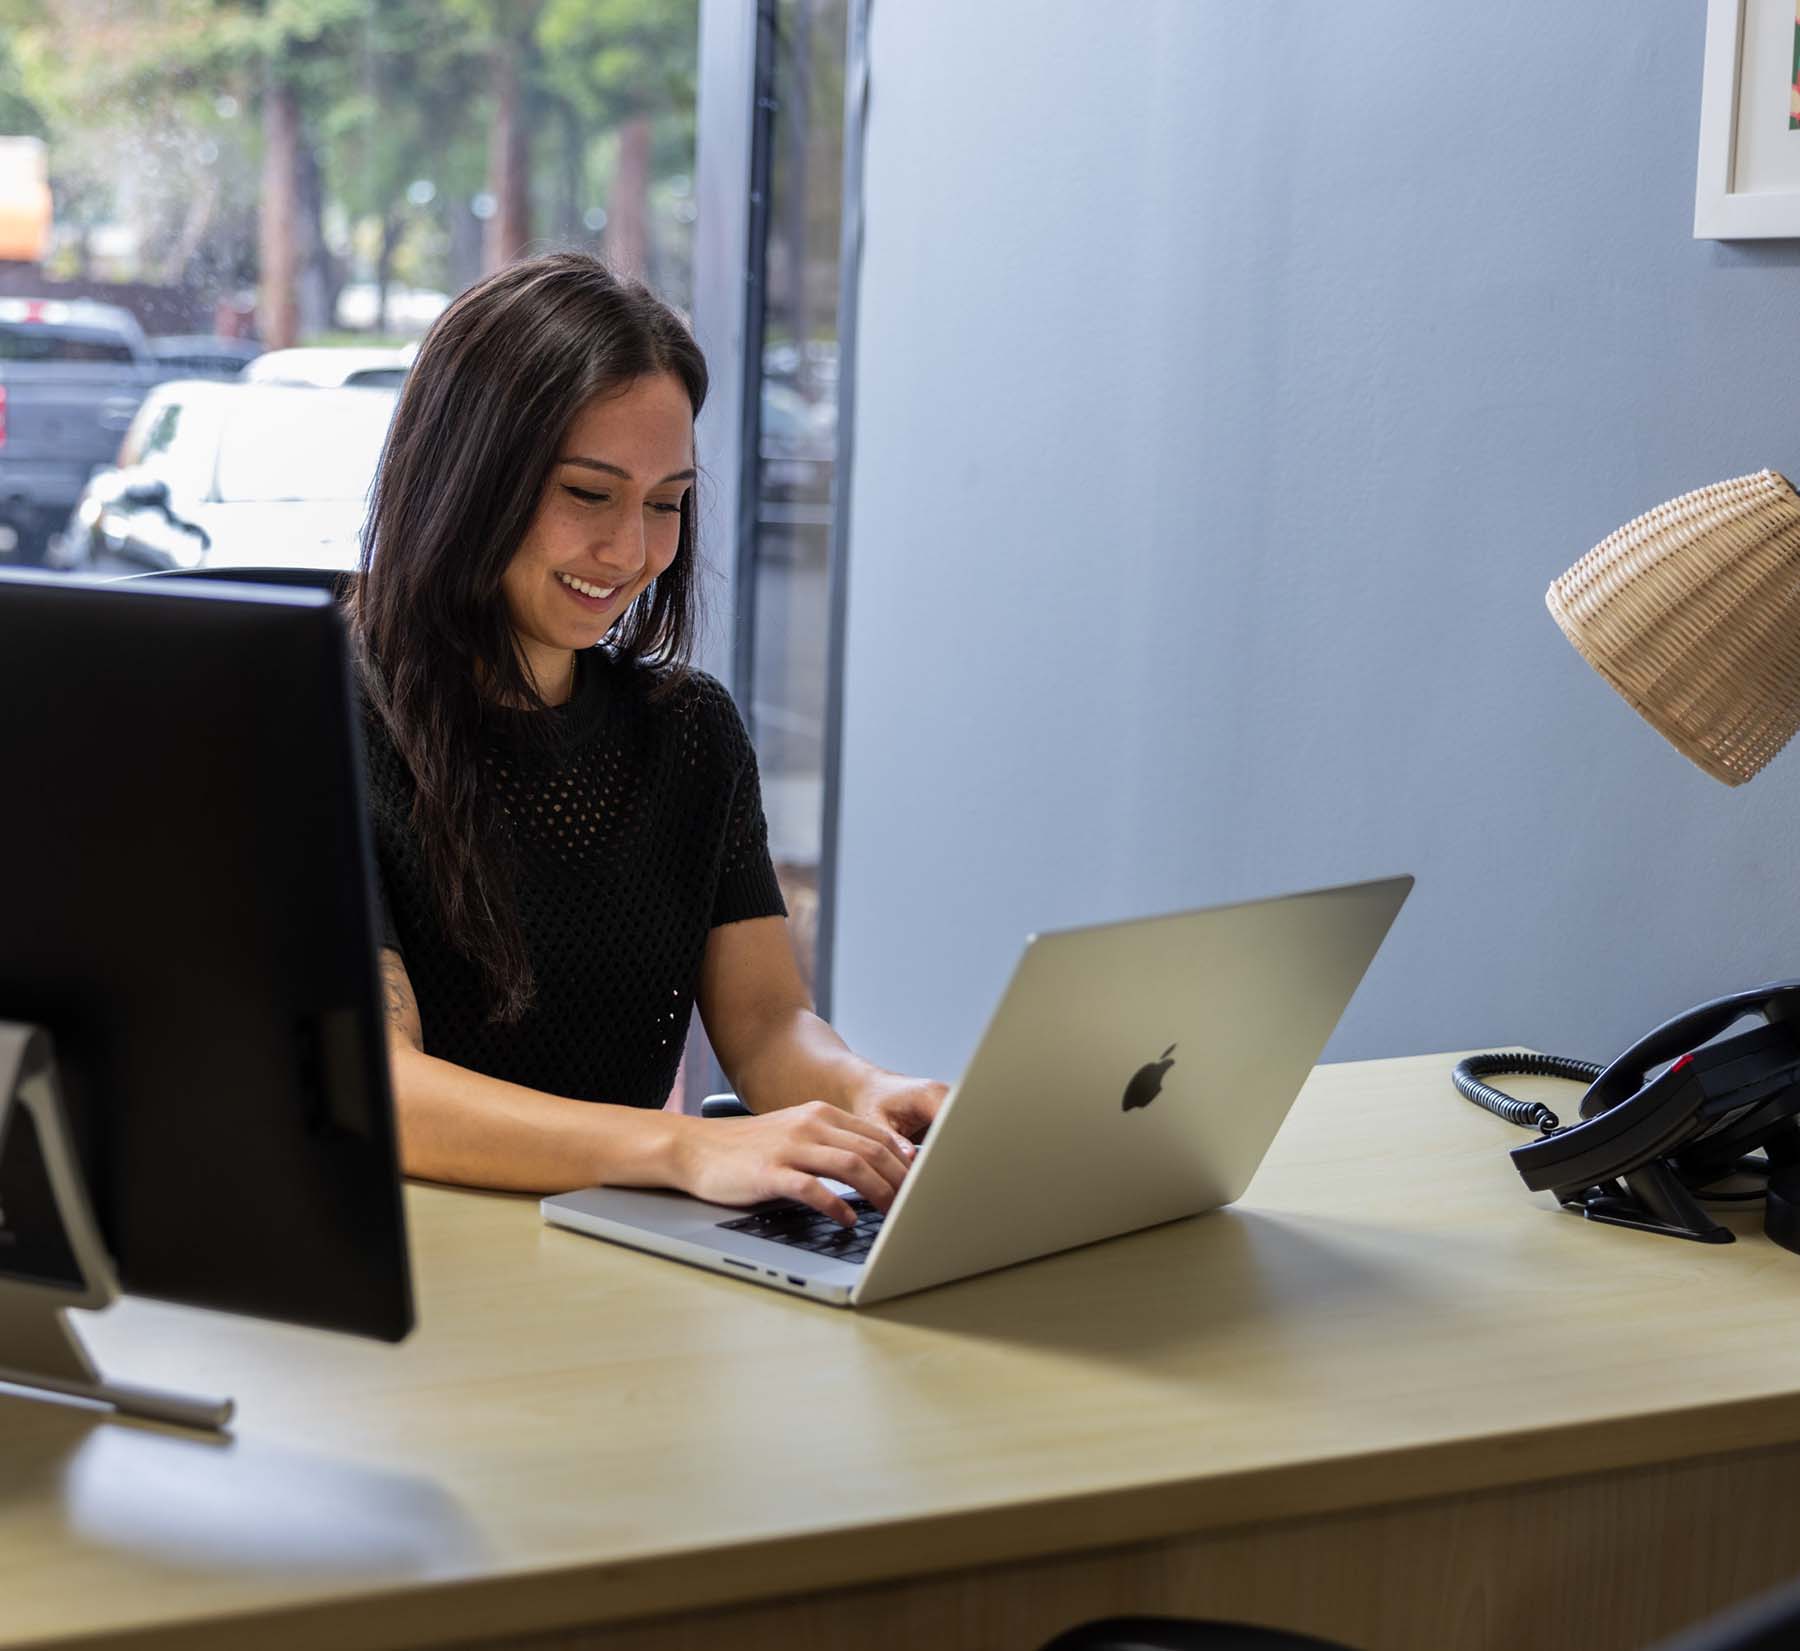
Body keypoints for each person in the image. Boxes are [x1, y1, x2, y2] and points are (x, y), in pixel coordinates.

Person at [347, 252, 946, 1227]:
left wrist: (860, 1095)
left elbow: (763, 1024)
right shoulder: (327, 718)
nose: (633, 551)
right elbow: (382, 1088)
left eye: (665, 502)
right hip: (411, 1276)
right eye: (589, 494)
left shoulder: (689, 733)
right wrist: (685, 1146)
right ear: (469, 476)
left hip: (607, 1260)